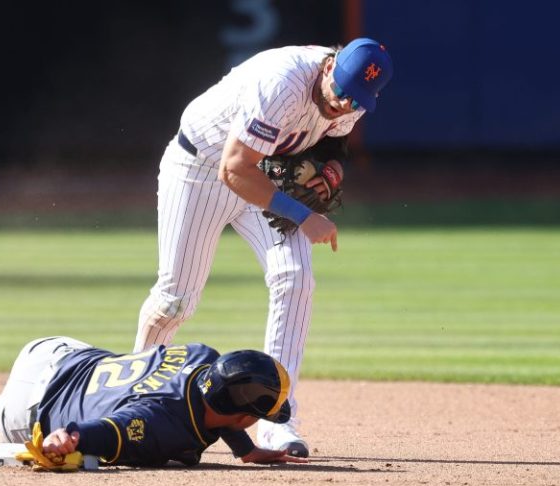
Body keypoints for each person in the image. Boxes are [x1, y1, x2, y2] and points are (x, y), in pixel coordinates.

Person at [134, 38, 393, 456]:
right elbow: (234, 169)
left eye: (358, 99)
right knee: (175, 299)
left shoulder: (353, 95)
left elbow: (330, 143)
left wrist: (329, 169)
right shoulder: (281, 83)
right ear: (329, 67)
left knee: (296, 278)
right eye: (342, 91)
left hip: (262, 175)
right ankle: (134, 395)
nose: (346, 104)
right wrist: (304, 215)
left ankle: (279, 420)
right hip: (199, 171)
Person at [0, 336, 309, 467]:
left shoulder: (204, 356)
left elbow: (220, 403)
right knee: (29, 440)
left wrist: (244, 449)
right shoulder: (162, 426)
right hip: (27, 405)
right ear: (244, 417)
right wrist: (69, 437)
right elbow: (110, 431)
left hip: (58, 350)